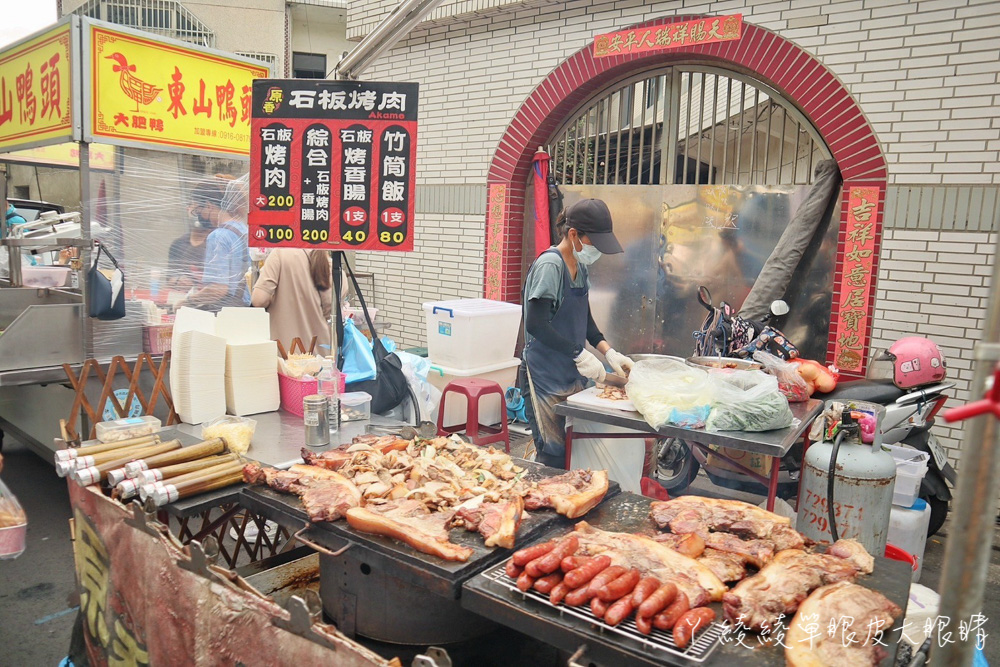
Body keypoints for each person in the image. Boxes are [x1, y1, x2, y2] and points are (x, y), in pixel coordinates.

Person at [520, 198, 635, 469]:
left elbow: (585, 320)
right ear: (574, 235)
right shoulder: (551, 266)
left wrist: (609, 352)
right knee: (553, 453)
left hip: (570, 373)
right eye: (594, 243)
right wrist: (580, 354)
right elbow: (535, 324)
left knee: (573, 447)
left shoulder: (580, 267)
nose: (595, 251)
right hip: (544, 375)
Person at [182, 176, 251, 311]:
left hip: (227, 315)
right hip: (248, 310)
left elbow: (218, 289)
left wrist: (187, 302)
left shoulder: (218, 236)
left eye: (198, 211)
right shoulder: (245, 230)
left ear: (208, 205)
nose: (199, 215)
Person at [251, 249, 333, 349]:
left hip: (285, 352)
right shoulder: (330, 264)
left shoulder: (280, 254)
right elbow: (331, 313)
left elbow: (258, 300)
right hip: (320, 353)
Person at [165, 184, 220, 289]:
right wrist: (178, 281)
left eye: (196, 206)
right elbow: (169, 278)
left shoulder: (218, 242)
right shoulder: (178, 244)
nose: (191, 210)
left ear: (209, 207)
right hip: (182, 301)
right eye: (190, 205)